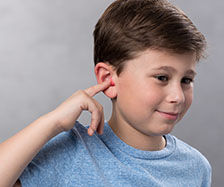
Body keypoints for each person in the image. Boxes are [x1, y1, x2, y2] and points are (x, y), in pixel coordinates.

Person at [0, 0, 212, 186]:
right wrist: (53, 122)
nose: (178, 96)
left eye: (186, 80)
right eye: (162, 78)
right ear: (108, 80)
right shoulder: (70, 154)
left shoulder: (196, 168)